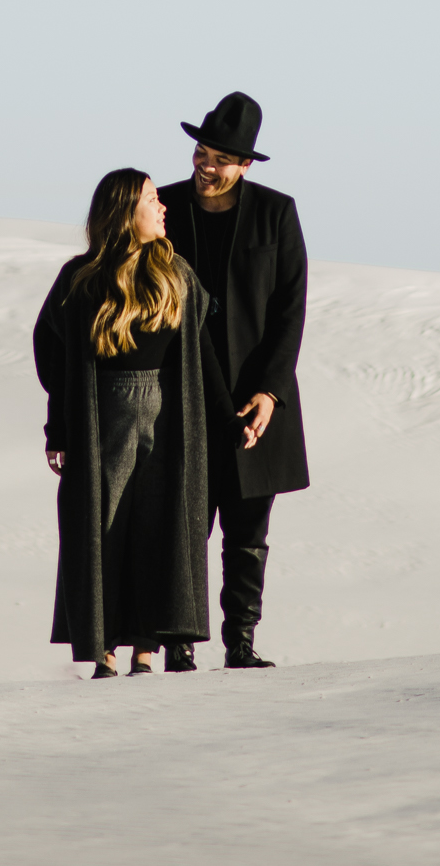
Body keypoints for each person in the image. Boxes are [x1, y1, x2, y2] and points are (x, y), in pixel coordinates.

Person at [32, 167, 232, 678]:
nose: (162, 207)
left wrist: (228, 422)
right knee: (103, 530)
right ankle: (102, 652)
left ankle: (147, 650)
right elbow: (53, 358)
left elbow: (203, 354)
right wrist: (58, 430)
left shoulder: (177, 274)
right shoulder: (80, 279)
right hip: (102, 420)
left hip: (169, 420)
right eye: (151, 199)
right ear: (125, 213)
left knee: (158, 528)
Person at [157, 92, 309, 670]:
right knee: (183, 529)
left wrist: (271, 392)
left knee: (247, 536)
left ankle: (240, 644)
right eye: (201, 152)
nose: (206, 166)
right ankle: (178, 644)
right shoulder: (165, 207)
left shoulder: (276, 212)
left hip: (254, 402)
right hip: (184, 398)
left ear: (245, 165)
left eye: (220, 159)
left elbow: (290, 310)